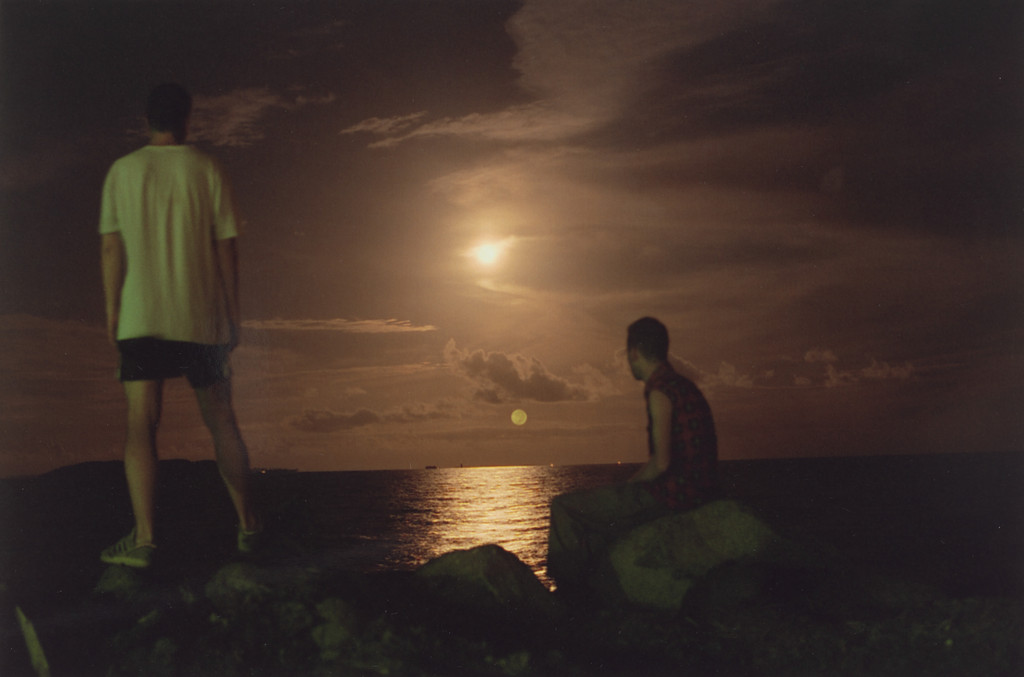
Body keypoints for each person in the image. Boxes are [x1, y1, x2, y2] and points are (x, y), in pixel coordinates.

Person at [98, 83, 260, 568]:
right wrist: (232, 312)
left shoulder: (122, 170)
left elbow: (110, 246)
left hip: (141, 316)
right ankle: (248, 526)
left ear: (146, 119)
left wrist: (112, 312)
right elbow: (227, 246)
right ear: (187, 118)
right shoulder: (207, 168)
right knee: (222, 420)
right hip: (201, 317)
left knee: (140, 423)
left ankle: (145, 539)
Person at [547, 317, 718, 589]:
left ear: (635, 352)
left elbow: (661, 463)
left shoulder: (660, 391)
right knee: (599, 531)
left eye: (628, 353)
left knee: (563, 507)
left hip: (673, 496)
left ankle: (564, 593)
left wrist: (628, 486)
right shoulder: (685, 386)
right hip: (699, 492)